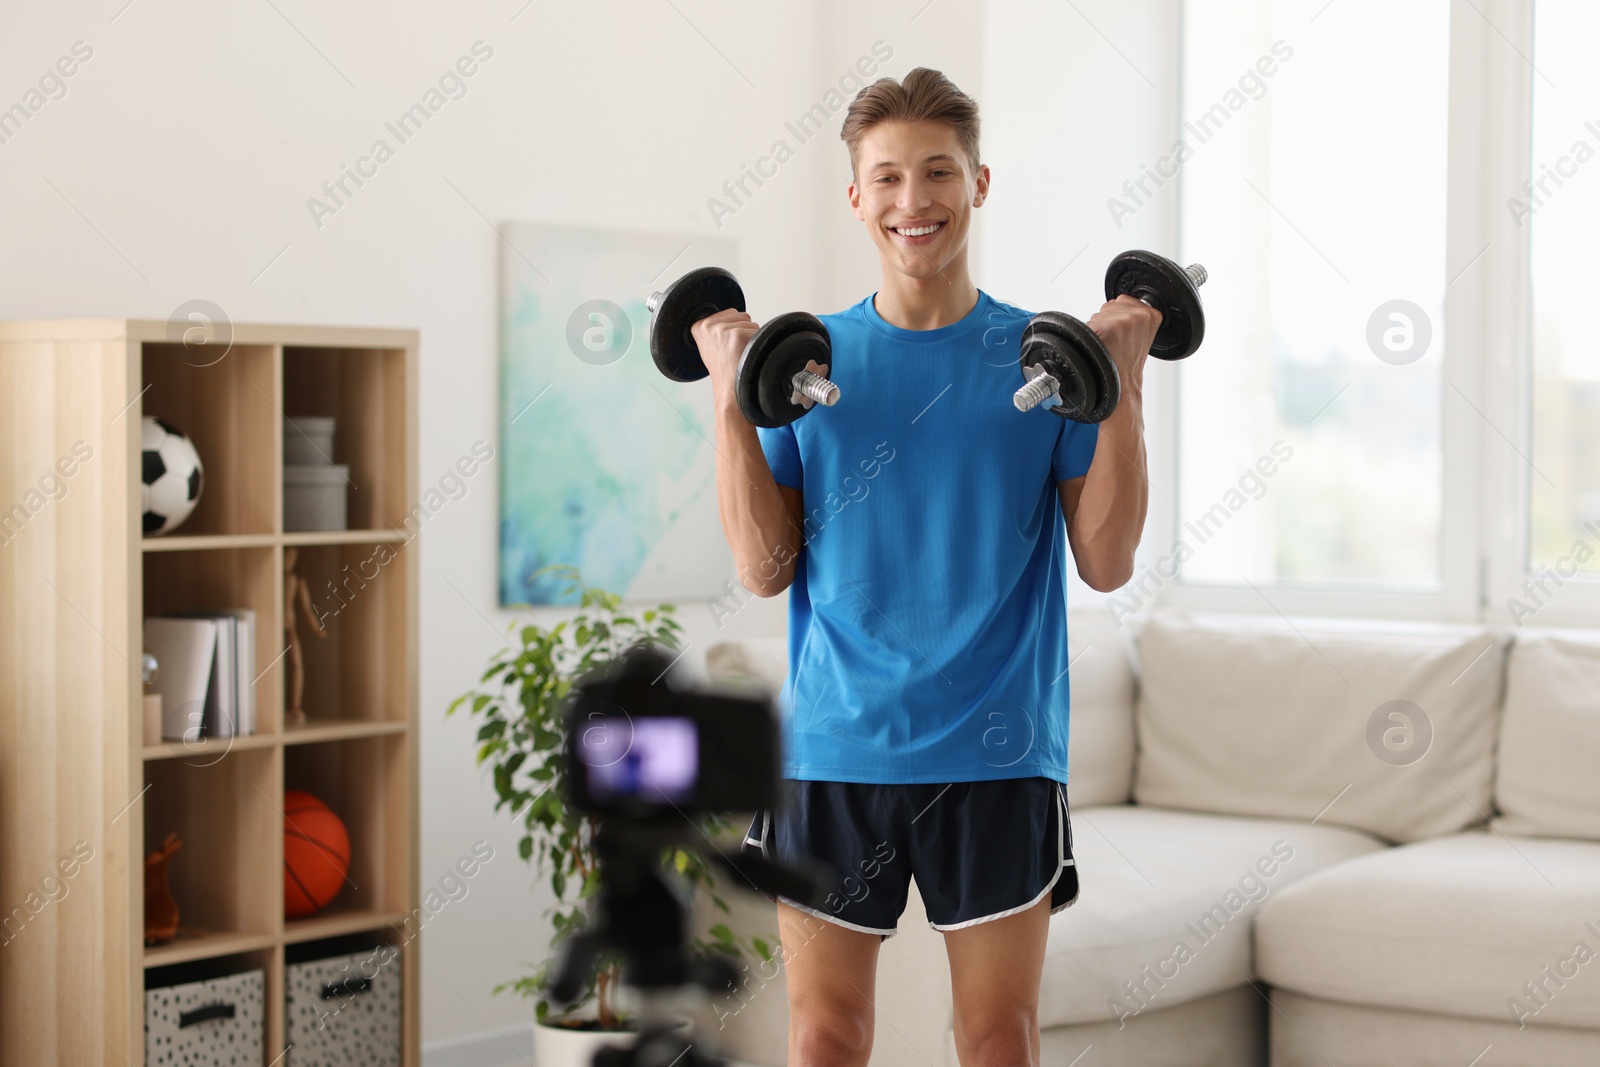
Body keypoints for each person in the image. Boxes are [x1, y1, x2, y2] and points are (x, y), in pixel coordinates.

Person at [697, 68, 1155, 1067]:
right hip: (835, 748)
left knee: (997, 1037)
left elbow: (1109, 559)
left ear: (978, 183)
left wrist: (1121, 384)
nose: (916, 202)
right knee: (825, 1034)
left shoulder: (1044, 360)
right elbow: (765, 566)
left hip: (996, 755)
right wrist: (731, 398)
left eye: (938, 172)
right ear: (855, 196)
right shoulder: (804, 361)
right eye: (889, 177)